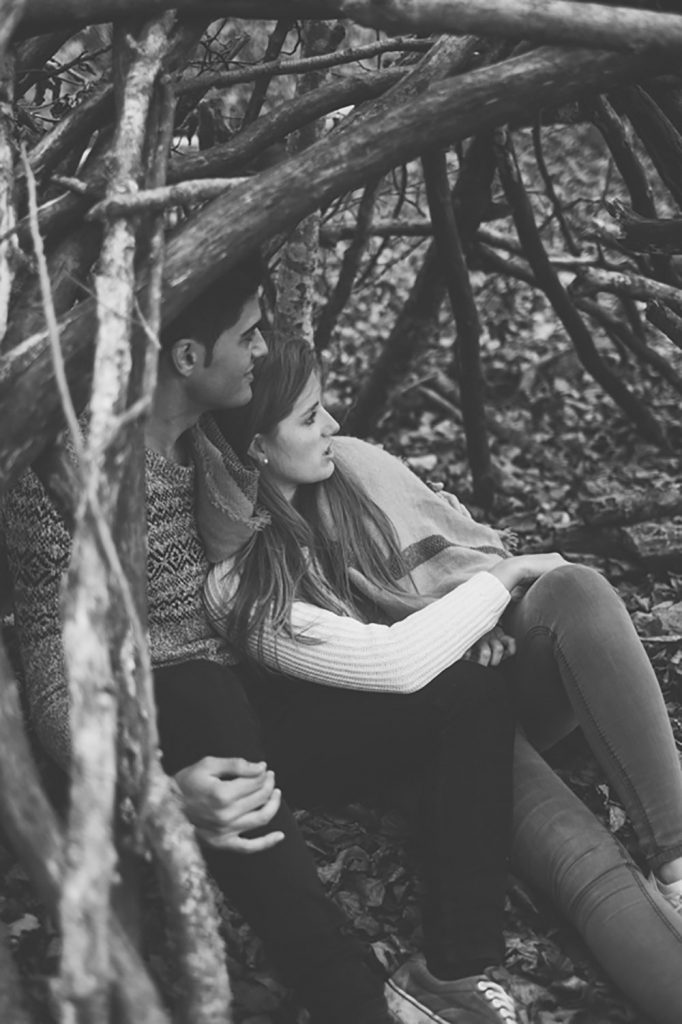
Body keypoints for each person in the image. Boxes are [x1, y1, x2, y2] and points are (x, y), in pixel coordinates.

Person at [204, 338, 682, 1024]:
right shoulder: (241, 582)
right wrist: (491, 591)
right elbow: (394, 665)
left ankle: (677, 864)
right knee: (589, 865)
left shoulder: (356, 471)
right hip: (439, 736)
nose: (334, 424)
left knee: (573, 587)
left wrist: (471, 610)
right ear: (255, 449)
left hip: (488, 680)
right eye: (311, 418)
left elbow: (465, 559)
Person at [3, 257, 401, 1024]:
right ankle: (350, 1001)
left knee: (449, 696)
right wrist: (149, 789)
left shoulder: (219, 439)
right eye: (248, 335)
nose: (262, 351)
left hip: (243, 708)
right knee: (195, 687)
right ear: (186, 357)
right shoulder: (68, 470)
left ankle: (450, 971)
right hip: (139, 736)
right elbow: (55, 674)